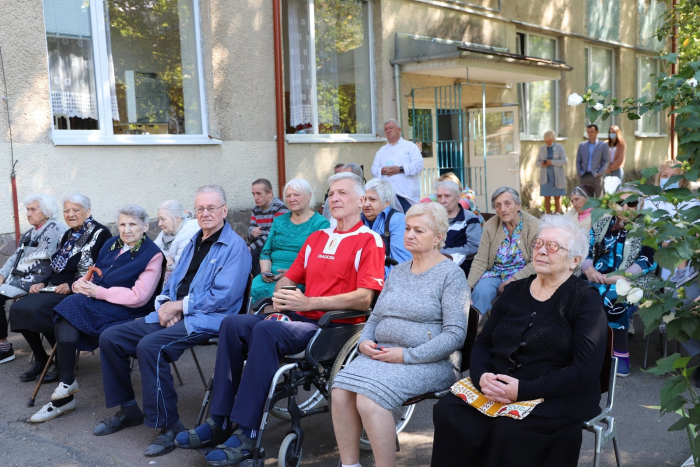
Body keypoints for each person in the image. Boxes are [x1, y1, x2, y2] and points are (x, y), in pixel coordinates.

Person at [173, 173, 386, 466]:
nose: (334, 198)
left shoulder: (368, 240)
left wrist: (310, 302)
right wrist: (281, 296)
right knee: (233, 324)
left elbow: (365, 298)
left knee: (267, 331)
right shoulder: (317, 238)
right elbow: (289, 277)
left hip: (336, 327)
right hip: (300, 318)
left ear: (362, 201)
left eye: (343, 193)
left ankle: (248, 434)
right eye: (331, 193)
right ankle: (220, 419)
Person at [431, 215, 607, 467]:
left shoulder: (585, 300)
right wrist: (481, 377)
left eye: (553, 246)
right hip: (499, 387)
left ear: (575, 261)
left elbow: (585, 370)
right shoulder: (513, 291)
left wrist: (523, 390)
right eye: (539, 243)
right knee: (448, 410)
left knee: (509, 430)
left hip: (556, 396)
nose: (542, 250)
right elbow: (483, 344)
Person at [93, 185, 250, 457]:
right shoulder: (193, 241)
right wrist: (166, 303)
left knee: (151, 347)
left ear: (224, 210)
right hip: (175, 312)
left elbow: (223, 297)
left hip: (207, 320)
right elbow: (172, 281)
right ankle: (128, 409)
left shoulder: (235, 247)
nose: (205, 213)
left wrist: (180, 306)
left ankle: (170, 426)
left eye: (211, 207)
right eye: (200, 208)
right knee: (111, 338)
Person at [332, 202, 469, 467]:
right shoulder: (397, 271)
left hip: (431, 362)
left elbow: (455, 336)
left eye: (419, 230)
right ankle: (350, 465)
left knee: (370, 400)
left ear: (438, 237)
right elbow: (376, 316)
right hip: (383, 356)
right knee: (340, 391)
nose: (410, 234)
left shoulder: (450, 275)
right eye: (407, 228)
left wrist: (407, 356)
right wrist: (364, 341)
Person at [29, 205, 164, 423]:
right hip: (98, 302)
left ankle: (65, 390)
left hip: (129, 309)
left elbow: (140, 296)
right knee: (69, 306)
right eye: (122, 224)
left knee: (69, 307)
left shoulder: (152, 254)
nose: (126, 229)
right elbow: (92, 274)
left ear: (146, 226)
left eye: (132, 224)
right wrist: (80, 285)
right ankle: (65, 387)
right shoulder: (112, 244)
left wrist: (98, 292)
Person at [9, 194, 111, 383]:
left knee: (40, 310)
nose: (70, 214)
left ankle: (63, 360)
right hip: (56, 286)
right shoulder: (69, 234)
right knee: (19, 308)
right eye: (66, 211)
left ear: (88, 211)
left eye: (75, 210)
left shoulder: (101, 233)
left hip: (80, 288)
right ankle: (42, 358)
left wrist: (71, 285)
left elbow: (102, 270)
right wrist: (43, 282)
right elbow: (56, 266)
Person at [583, 185, 657, 377]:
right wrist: (588, 269)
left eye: (630, 203)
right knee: (577, 291)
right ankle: (587, 351)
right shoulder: (601, 222)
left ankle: (618, 354)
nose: (625, 207)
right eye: (620, 202)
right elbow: (586, 250)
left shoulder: (648, 227)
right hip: (598, 276)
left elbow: (648, 259)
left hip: (636, 279)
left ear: (639, 204)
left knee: (615, 295)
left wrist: (623, 277)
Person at [0, 194, 64, 364]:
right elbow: (15, 257)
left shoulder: (54, 229)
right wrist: (1, 274)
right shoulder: (30, 233)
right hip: (17, 279)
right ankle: (7, 348)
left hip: (33, 280)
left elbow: (56, 262)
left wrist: (45, 282)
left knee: (20, 307)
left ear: (46, 211)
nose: (28, 213)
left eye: (33, 209)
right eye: (27, 210)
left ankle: (4, 348)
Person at [250, 178, 329, 302]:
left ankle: (271, 320)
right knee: (250, 290)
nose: (292, 199)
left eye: (297, 195)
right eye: (288, 196)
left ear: (309, 196)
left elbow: (319, 261)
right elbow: (266, 251)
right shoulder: (279, 220)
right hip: (270, 276)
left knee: (275, 296)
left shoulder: (321, 224)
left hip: (298, 279)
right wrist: (265, 271)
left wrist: (292, 275)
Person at [467, 187, 538, 318]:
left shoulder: (534, 226)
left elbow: (536, 263)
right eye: (498, 205)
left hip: (523, 275)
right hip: (495, 273)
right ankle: (472, 330)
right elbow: (481, 260)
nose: (502, 209)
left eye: (507, 203)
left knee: (513, 299)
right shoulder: (490, 226)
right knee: (480, 293)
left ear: (518, 205)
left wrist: (513, 280)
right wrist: (468, 287)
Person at [371, 119, 423, 213]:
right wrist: (382, 171)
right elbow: (374, 170)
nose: (388, 130)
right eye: (386, 129)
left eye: (391, 128)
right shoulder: (381, 151)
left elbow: (418, 166)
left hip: (406, 196)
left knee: (408, 223)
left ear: (399, 129)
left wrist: (399, 169)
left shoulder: (411, 147)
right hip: (387, 197)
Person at [362, 178, 411, 276]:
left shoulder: (398, 221)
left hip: (389, 284)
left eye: (372, 199)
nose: (366, 204)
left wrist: (371, 277)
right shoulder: (358, 219)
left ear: (387, 202)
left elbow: (401, 265)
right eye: (364, 199)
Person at [435, 180, 481, 277]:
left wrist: (444, 254)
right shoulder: (433, 219)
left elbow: (474, 247)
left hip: (461, 267)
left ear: (457, 197)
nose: (442, 201)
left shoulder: (469, 218)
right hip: (434, 264)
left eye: (447, 196)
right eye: (439, 196)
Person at [247, 178, 288, 277]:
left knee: (254, 254)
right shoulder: (256, 209)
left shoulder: (281, 208)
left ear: (270, 193)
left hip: (275, 244)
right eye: (253, 194)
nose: (255, 197)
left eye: (259, 194)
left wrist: (250, 248)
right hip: (260, 242)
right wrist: (252, 232)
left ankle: (254, 283)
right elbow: (250, 231)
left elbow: (271, 235)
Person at [154, 200, 200, 282]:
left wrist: (163, 261)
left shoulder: (190, 231)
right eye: (159, 219)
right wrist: (165, 258)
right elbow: (151, 252)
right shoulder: (168, 231)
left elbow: (181, 267)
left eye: (163, 219)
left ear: (177, 218)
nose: (159, 224)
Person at [420, 172, 485, 227]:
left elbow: (462, 205)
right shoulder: (439, 195)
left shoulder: (467, 193)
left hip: (474, 227)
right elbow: (419, 205)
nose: (442, 200)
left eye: (447, 195)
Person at [537, 130, 567, 214]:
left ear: (553, 139)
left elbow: (564, 161)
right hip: (546, 176)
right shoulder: (542, 148)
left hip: (557, 176)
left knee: (557, 197)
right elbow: (537, 163)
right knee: (546, 197)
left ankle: (557, 215)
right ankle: (548, 215)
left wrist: (552, 162)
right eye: (546, 141)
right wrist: (542, 163)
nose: (548, 143)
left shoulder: (560, 147)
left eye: (550, 141)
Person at [576, 124, 610, 197]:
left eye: (592, 132)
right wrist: (579, 171)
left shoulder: (603, 145)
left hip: (596, 175)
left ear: (597, 132)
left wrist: (600, 172)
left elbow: (606, 160)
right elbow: (578, 160)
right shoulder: (582, 145)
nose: (590, 134)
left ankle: (598, 209)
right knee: (584, 197)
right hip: (584, 174)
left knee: (598, 198)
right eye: (588, 132)